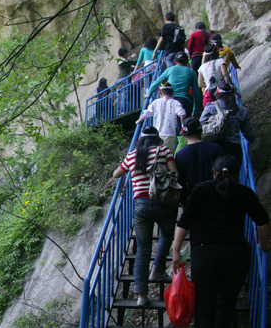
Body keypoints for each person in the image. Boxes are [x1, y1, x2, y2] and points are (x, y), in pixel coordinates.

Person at [172, 155, 271, 328]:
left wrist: (176, 252)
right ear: (236, 174)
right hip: (236, 255)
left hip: (205, 255)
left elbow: (185, 221)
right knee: (226, 307)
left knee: (204, 310)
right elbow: (263, 222)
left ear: (213, 172)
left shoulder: (201, 189)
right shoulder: (245, 192)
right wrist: (263, 244)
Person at [113, 126, 178, 306]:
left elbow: (116, 174)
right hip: (163, 202)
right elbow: (176, 175)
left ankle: (141, 295)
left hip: (140, 206)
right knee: (166, 234)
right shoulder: (164, 151)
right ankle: (157, 268)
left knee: (142, 250)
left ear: (141, 139)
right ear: (157, 137)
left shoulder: (133, 155)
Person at [199, 82, 255, 164]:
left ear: (217, 94)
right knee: (233, 176)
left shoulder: (211, 107)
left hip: (215, 147)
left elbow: (201, 123)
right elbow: (250, 134)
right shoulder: (241, 111)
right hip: (234, 149)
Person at [175, 117, 224, 206]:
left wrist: (184, 205)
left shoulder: (180, 155)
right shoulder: (216, 148)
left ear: (184, 134)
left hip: (194, 199)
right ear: (201, 131)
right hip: (216, 197)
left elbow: (181, 184)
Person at [136, 82, 186, 154]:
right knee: (168, 157)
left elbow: (146, 113)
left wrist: (138, 121)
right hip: (170, 135)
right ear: (172, 93)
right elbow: (183, 114)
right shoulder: (175, 103)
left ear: (160, 92)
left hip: (157, 136)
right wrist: (182, 126)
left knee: (156, 156)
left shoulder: (155, 102)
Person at [148, 52, 200, 118]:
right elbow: (196, 94)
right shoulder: (192, 73)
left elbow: (155, 83)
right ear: (187, 61)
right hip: (184, 101)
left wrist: (148, 96)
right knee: (184, 126)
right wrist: (195, 111)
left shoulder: (169, 70)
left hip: (170, 101)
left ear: (175, 61)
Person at [198, 43, 233, 108]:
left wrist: (209, 85)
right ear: (216, 53)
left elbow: (200, 84)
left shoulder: (202, 67)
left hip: (208, 95)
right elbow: (225, 74)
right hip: (222, 93)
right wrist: (231, 85)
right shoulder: (220, 61)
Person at [116, 48, 137, 115]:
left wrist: (129, 59)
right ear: (125, 54)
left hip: (119, 80)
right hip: (125, 79)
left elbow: (127, 63)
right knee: (125, 95)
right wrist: (135, 56)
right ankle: (123, 111)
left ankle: (119, 112)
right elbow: (135, 61)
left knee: (119, 96)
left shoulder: (119, 61)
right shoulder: (126, 61)